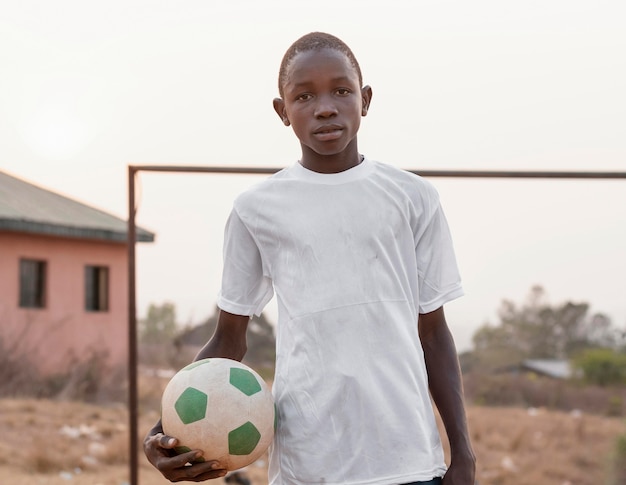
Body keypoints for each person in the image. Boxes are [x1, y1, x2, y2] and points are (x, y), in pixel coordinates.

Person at [144, 32, 476, 485]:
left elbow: (434, 334)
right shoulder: (256, 209)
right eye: (304, 96)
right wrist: (164, 433)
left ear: (366, 99)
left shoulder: (413, 196)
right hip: (308, 465)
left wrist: (465, 455)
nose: (325, 107)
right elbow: (228, 341)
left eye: (341, 90)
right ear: (282, 111)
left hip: (409, 460)